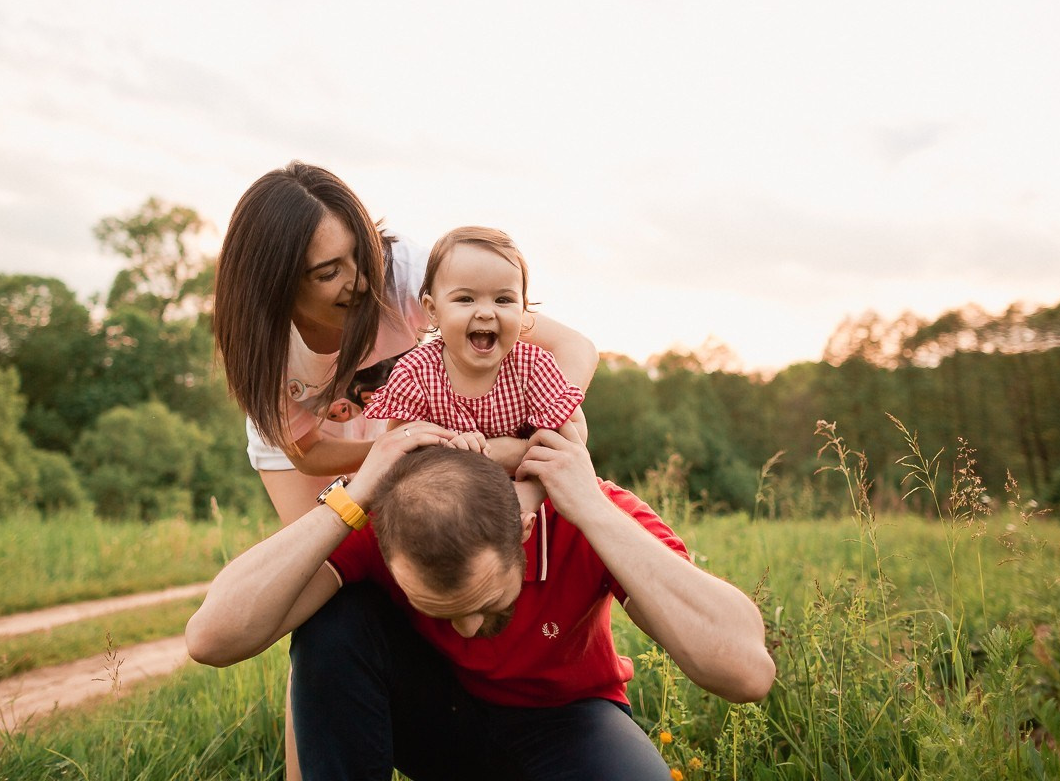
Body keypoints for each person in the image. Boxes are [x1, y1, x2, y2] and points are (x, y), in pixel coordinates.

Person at [186, 422, 776, 779]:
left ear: (521, 530)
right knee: (332, 622)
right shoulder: (393, 516)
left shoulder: (585, 513)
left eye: (489, 602)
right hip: (443, 720)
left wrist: (592, 511)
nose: (468, 629)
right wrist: (356, 494)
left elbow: (747, 672)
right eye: (440, 608)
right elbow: (211, 638)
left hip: (568, 720)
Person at [211, 162, 598, 526]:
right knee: (323, 556)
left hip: (404, 416)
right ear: (279, 285)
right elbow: (307, 452)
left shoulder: (402, 273)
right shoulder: (265, 346)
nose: (362, 282)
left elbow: (574, 348)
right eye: (330, 272)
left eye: (362, 254)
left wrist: (527, 435)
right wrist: (408, 447)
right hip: (313, 443)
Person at [363, 226, 586, 453]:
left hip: (528, 476)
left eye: (503, 299)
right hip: (448, 482)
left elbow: (573, 432)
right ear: (433, 310)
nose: (486, 312)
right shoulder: (416, 373)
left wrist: (518, 451)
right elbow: (398, 448)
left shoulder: (533, 367)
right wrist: (454, 453)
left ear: (522, 309)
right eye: (466, 298)